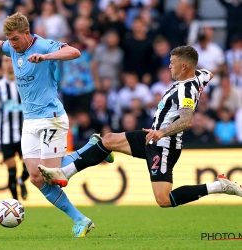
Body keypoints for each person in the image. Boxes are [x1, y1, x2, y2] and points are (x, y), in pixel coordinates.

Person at [40, 45, 242, 210]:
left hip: (164, 146)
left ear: (183, 66)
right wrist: (199, 79)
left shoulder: (186, 91)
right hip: (151, 137)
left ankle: (218, 186)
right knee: (108, 139)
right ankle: (65, 173)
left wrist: (162, 131)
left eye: (172, 64)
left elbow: (186, 121)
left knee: (163, 199)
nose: (169, 68)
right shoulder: (198, 77)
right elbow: (208, 74)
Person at [0, 12, 112, 238]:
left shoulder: (45, 45)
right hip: (30, 121)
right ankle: (81, 219)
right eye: (9, 38)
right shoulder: (12, 47)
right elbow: (1, 46)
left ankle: (95, 149)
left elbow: (74, 52)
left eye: (15, 38)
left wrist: (46, 58)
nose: (12, 43)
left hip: (51, 117)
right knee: (37, 178)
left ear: (27, 33)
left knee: (54, 175)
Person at [0, 55, 29, 201]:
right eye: (5, 61)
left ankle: (22, 181)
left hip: (25, 133)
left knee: (30, 168)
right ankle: (15, 202)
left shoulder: (24, 83)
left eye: (11, 60)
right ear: (1, 65)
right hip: (5, 134)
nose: (9, 64)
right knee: (11, 170)